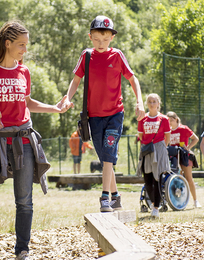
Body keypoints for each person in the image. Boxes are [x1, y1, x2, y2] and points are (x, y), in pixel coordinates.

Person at [0, 21, 70, 260]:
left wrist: (56, 108)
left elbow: (28, 103)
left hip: (23, 141)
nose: (24, 50)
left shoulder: (24, 71)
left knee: (24, 200)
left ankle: (22, 251)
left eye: (26, 45)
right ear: (7, 43)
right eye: (21, 45)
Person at [61, 15, 145, 212]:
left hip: (115, 114)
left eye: (105, 39)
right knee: (105, 158)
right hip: (94, 116)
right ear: (90, 37)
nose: (101, 43)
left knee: (108, 155)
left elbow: (133, 80)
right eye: (97, 39)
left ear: (112, 38)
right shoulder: (86, 56)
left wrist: (139, 102)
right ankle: (116, 196)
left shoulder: (117, 56)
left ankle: (105, 198)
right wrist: (67, 97)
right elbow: (75, 81)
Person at [138, 93, 171, 218]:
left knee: (157, 179)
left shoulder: (164, 119)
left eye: (154, 101)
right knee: (147, 180)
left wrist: (162, 149)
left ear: (158, 104)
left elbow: (167, 136)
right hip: (147, 150)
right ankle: (153, 203)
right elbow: (141, 136)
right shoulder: (142, 118)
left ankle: (156, 207)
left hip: (159, 148)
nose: (152, 104)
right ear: (147, 103)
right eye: (150, 101)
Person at [166, 111, 201, 208]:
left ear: (176, 120)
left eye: (171, 120)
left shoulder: (184, 128)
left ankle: (195, 201)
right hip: (173, 157)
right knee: (175, 179)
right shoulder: (167, 131)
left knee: (189, 178)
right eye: (168, 121)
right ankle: (177, 201)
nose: (169, 123)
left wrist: (188, 147)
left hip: (184, 156)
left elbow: (196, 138)